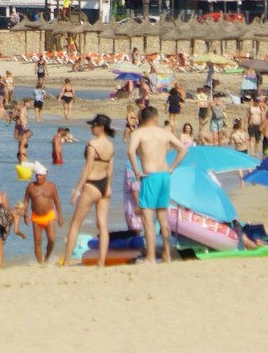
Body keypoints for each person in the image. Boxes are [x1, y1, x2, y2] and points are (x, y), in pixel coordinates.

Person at [127, 104, 184, 265]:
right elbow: (182, 149)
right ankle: (167, 255)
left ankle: (151, 257)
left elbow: (131, 151)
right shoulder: (164, 133)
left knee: (148, 219)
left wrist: (137, 172)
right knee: (163, 219)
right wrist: (172, 167)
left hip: (150, 176)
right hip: (164, 175)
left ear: (142, 119)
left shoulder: (138, 133)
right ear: (156, 118)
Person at [58, 113, 117, 267]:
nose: (91, 127)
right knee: (103, 226)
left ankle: (67, 262)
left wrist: (77, 190)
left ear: (101, 127)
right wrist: (108, 187)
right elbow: (110, 170)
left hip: (92, 184)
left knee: (75, 224)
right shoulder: (111, 146)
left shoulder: (93, 144)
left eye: (94, 125)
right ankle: (101, 262)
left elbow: (87, 168)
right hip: (105, 186)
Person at [22, 164, 61, 265]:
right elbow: (26, 201)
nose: (38, 177)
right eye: (37, 175)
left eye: (40, 175)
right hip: (36, 218)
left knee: (52, 239)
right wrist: (25, 215)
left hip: (49, 216)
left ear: (45, 176)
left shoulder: (51, 186)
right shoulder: (31, 186)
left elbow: (57, 201)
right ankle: (40, 263)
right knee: (37, 241)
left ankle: (47, 258)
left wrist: (60, 216)